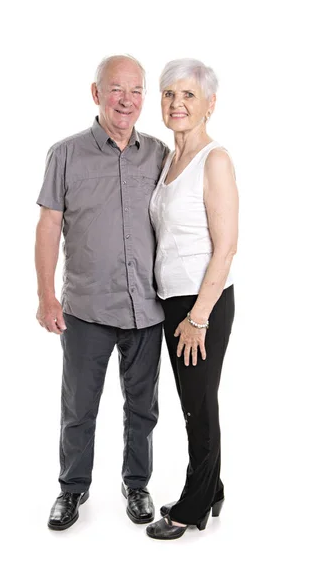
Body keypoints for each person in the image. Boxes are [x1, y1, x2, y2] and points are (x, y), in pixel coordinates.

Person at [35, 55, 169, 531]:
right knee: (78, 409)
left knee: (143, 408)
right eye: (116, 89)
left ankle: (137, 485)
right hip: (87, 309)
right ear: (97, 94)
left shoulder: (159, 154)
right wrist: (46, 295)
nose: (126, 100)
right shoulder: (65, 154)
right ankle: (72, 490)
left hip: (147, 307)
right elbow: (49, 225)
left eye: (135, 90)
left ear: (143, 97)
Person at [146, 59, 238, 540]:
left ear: (209, 104)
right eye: (168, 94)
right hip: (173, 301)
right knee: (193, 399)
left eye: (188, 95)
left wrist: (198, 317)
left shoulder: (214, 159)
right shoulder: (168, 158)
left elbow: (226, 247)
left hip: (202, 304)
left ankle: (192, 505)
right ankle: (214, 486)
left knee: (197, 405)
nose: (177, 103)